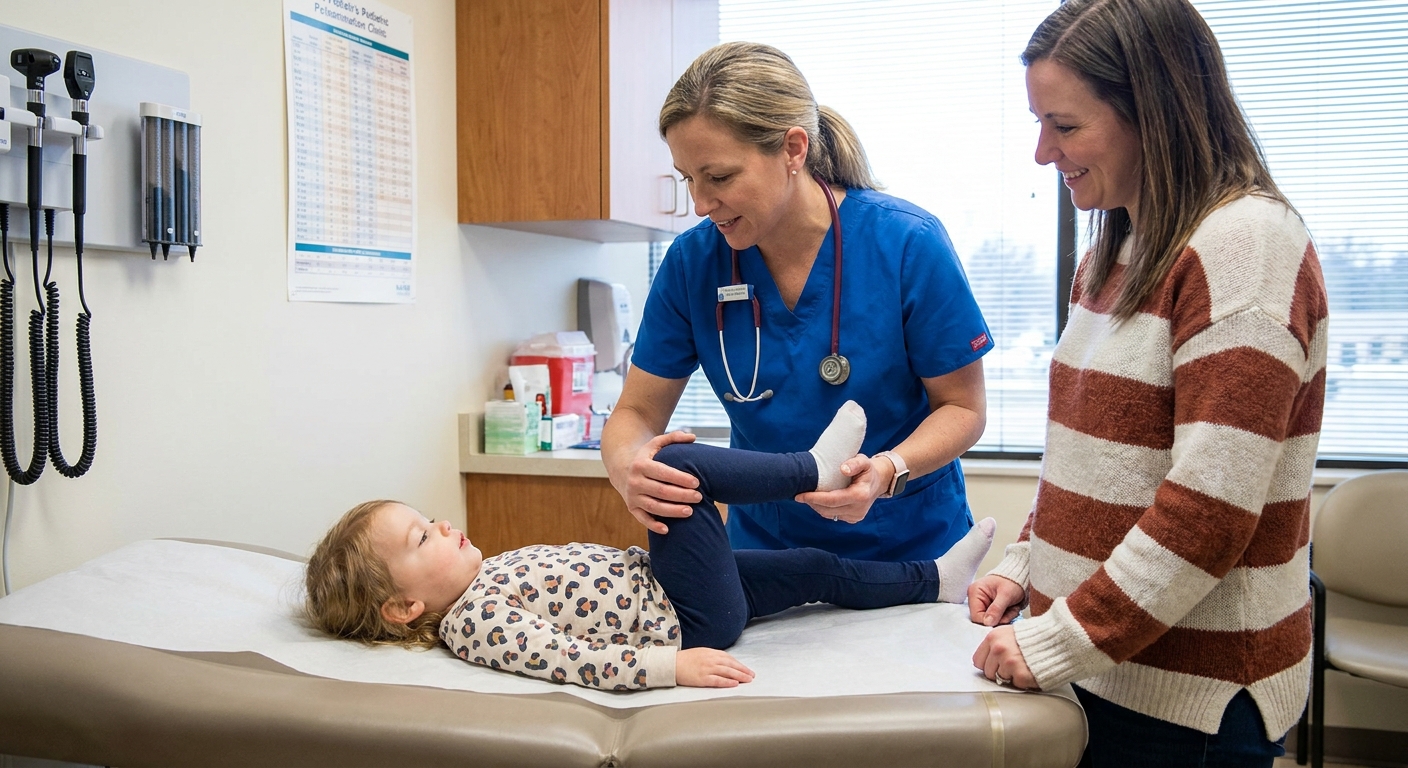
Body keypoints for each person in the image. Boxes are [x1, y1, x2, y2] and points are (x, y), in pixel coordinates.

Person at [965, 1, 1329, 766]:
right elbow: (1087, 461)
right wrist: (1024, 567)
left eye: (1064, 127)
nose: (1042, 153)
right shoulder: (1115, 252)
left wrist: (1060, 638)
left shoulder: (1245, 246)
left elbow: (1208, 511)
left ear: (1153, 113)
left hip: (1187, 695)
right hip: (1104, 666)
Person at [602, 42, 993, 564]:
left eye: (719, 177)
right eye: (688, 179)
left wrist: (888, 469)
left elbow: (963, 408)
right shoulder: (692, 263)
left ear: (792, 149)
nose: (699, 203)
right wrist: (630, 466)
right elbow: (635, 410)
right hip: (768, 559)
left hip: (909, 553)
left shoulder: (906, 243)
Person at [306, 402, 998, 691]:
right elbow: (573, 662)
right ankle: (810, 470)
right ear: (402, 607)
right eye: (423, 536)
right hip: (687, 616)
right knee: (680, 471)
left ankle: (931, 580)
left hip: (686, 593)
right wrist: (673, 667)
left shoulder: (484, 577)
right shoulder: (474, 622)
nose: (446, 526)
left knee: (815, 568)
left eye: (431, 517)